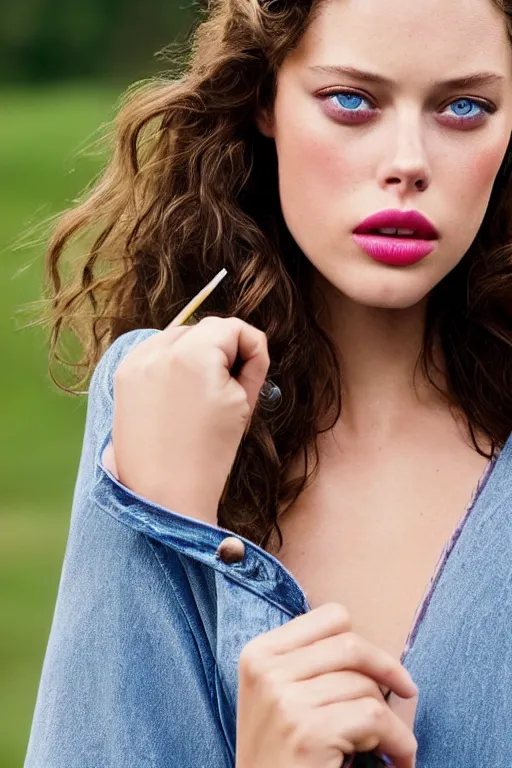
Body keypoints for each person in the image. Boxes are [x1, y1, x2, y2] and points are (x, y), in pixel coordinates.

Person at [24, 0, 512, 765]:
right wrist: (174, 515)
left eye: (464, 107)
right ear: (265, 101)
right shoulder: (162, 394)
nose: (409, 161)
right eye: (351, 100)